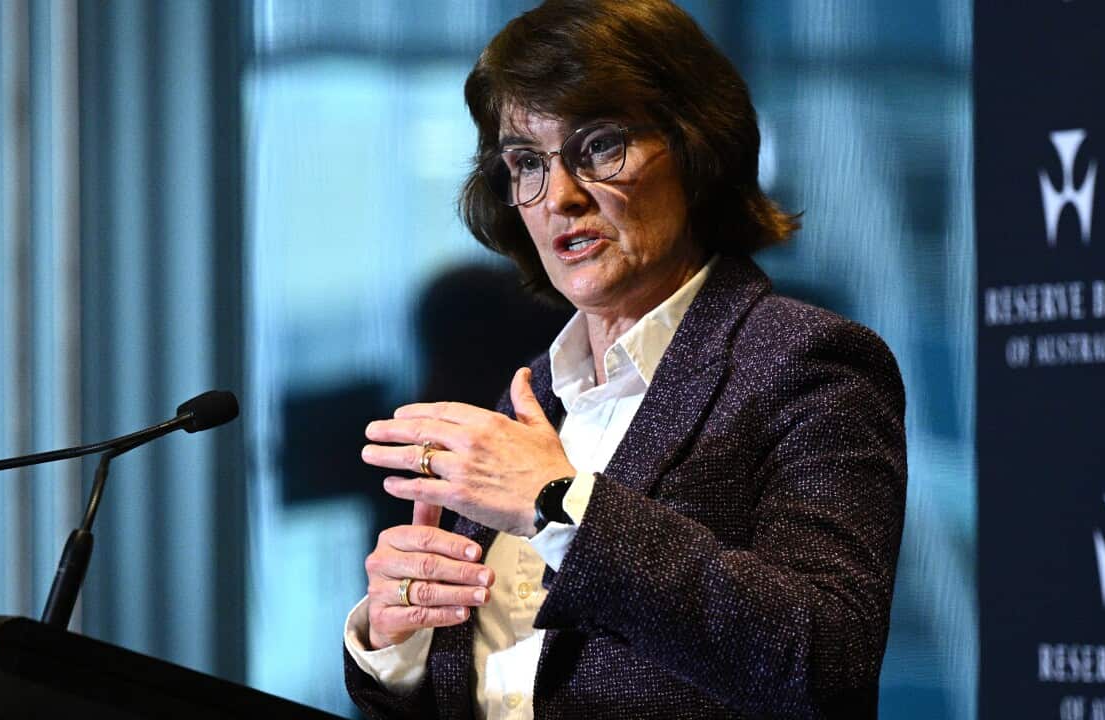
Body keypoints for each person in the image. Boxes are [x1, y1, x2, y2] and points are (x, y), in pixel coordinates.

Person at [343, 1, 907, 717]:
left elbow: (827, 659)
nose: (562, 199)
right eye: (526, 163)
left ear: (696, 147)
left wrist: (558, 505)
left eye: (601, 146)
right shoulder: (529, 398)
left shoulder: (807, 364)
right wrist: (397, 643)